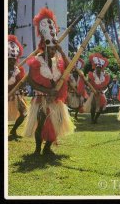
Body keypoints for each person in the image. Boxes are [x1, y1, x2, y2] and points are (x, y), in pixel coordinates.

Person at [23, 8, 75, 155]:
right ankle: (37, 149)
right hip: (41, 99)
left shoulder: (58, 60)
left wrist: (62, 51)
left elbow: (69, 68)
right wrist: (47, 91)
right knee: (40, 125)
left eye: (54, 49)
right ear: (44, 46)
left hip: (55, 101)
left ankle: (47, 148)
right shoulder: (37, 60)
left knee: (57, 124)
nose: (53, 51)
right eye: (50, 48)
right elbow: (31, 82)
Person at [8, 35, 28, 141]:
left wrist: (22, 88)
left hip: (16, 95)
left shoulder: (18, 69)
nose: (12, 61)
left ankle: (13, 130)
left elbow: (21, 83)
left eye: (13, 59)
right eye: (9, 59)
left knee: (24, 113)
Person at [83, 53, 110, 124]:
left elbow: (105, 86)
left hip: (101, 93)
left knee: (101, 107)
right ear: (95, 67)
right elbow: (88, 84)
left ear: (101, 68)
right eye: (97, 67)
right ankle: (92, 119)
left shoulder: (105, 76)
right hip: (93, 92)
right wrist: (92, 90)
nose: (98, 69)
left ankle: (96, 118)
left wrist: (102, 91)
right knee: (93, 106)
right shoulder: (91, 75)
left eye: (100, 68)